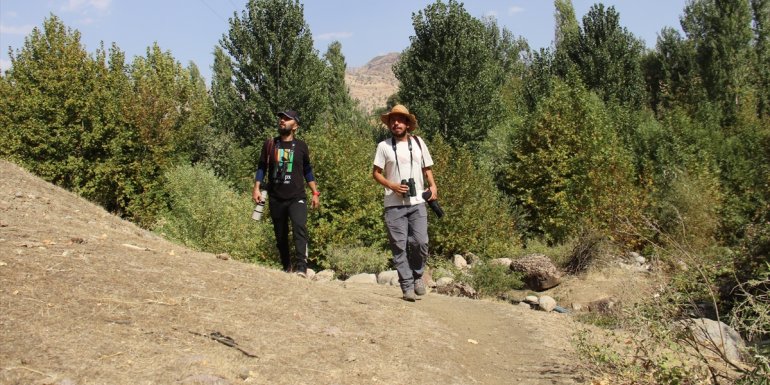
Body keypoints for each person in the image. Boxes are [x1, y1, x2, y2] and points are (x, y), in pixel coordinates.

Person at [372, 104, 438, 301]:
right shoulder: (383, 146)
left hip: (417, 202)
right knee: (399, 246)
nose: (396, 123)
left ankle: (418, 275)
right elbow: (376, 173)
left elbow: (427, 168)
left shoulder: (418, 143)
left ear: (408, 124)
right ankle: (407, 286)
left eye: (400, 120)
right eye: (393, 120)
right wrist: (392, 185)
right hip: (393, 204)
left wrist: (433, 187)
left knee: (420, 242)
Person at [252, 110, 320, 276]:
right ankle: (286, 266)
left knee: (299, 228)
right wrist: (256, 188)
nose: (282, 121)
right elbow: (262, 167)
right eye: (281, 118)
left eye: (287, 119)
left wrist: (315, 192)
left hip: (297, 196)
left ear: (295, 126)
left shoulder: (302, 146)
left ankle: (302, 268)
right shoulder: (270, 144)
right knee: (280, 235)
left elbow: (307, 170)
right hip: (276, 197)